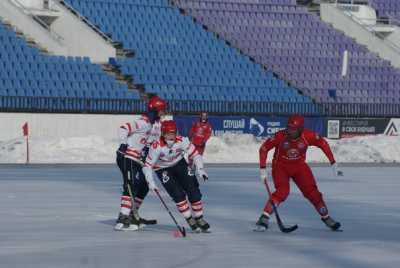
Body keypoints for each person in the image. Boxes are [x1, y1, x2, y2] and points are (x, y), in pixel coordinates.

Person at [256, 114, 343, 231]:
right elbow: (264, 149)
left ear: (301, 129)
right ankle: (264, 217)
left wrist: (333, 163)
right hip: (280, 167)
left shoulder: (308, 135)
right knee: (282, 191)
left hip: (299, 167)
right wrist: (262, 169)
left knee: (313, 193)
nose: (290, 131)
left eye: (293, 129)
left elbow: (323, 143)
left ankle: (326, 217)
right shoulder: (280, 136)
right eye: (289, 127)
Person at [142, 120, 211, 233]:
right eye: (169, 134)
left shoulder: (182, 141)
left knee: (193, 191)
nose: (172, 137)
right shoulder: (156, 146)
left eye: (173, 133)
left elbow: (196, 155)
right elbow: (147, 166)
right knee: (178, 194)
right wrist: (151, 183)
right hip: (162, 169)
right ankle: (189, 218)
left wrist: (200, 169)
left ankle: (199, 218)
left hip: (179, 164)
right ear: (163, 134)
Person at [114, 96, 167, 231]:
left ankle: (133, 214)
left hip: (139, 159)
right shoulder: (142, 122)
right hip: (128, 157)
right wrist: (123, 144)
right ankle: (123, 216)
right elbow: (123, 128)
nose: (163, 112)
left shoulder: (157, 124)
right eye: (161, 110)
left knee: (143, 186)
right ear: (154, 110)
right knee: (131, 185)